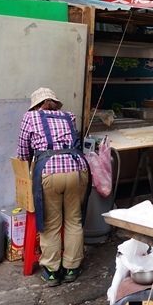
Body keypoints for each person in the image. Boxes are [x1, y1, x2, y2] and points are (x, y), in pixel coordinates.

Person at [17, 88, 89, 287]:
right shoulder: (69, 116)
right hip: (77, 171)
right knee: (74, 220)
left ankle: (52, 271)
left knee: (50, 223)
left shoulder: (30, 117)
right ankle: (72, 268)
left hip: (49, 173)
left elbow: (23, 153)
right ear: (55, 103)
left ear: (35, 106)